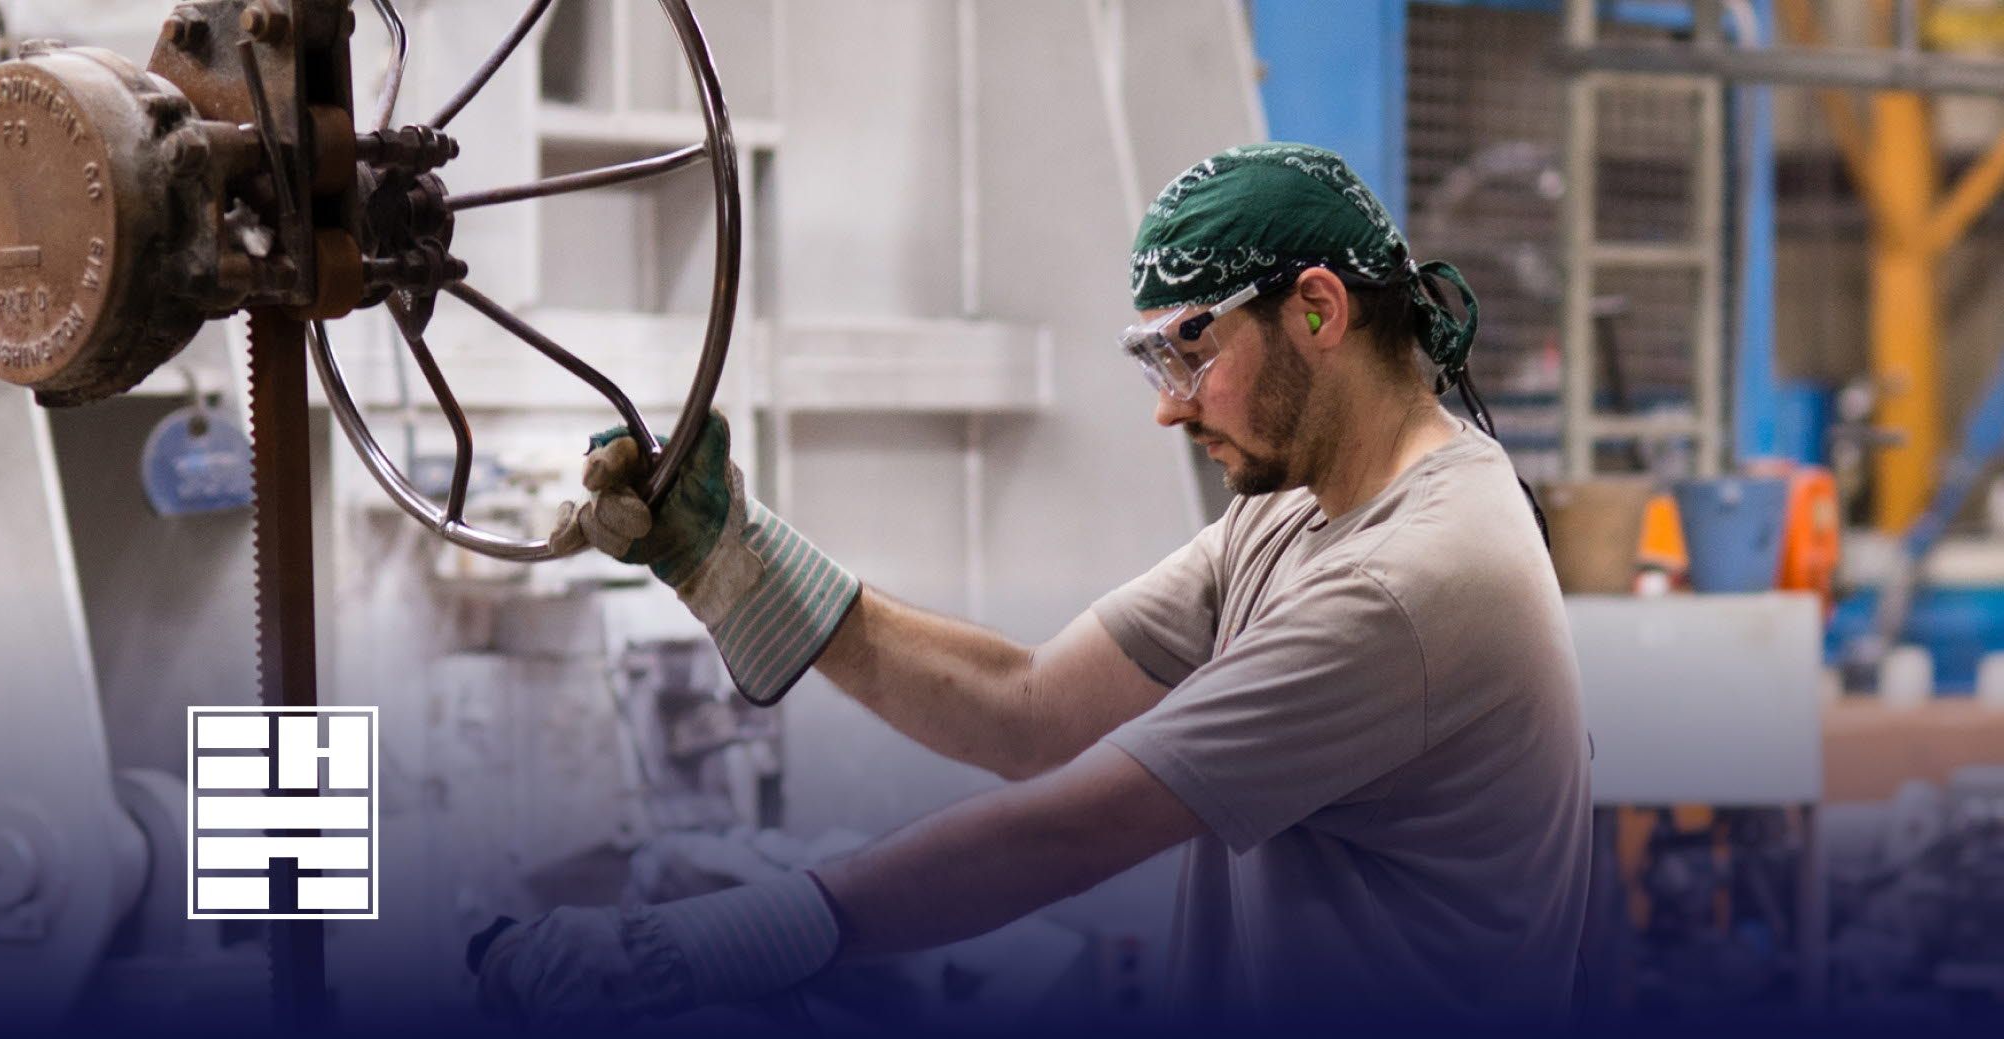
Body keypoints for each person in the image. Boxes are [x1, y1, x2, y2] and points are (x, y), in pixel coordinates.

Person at [474, 143, 1591, 1025]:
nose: (1169, 405)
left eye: (1190, 354)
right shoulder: (1296, 509)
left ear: (1316, 310)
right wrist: (730, 556)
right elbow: (1029, 710)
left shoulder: (1411, 581)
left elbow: (1067, 830)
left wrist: (681, 949)